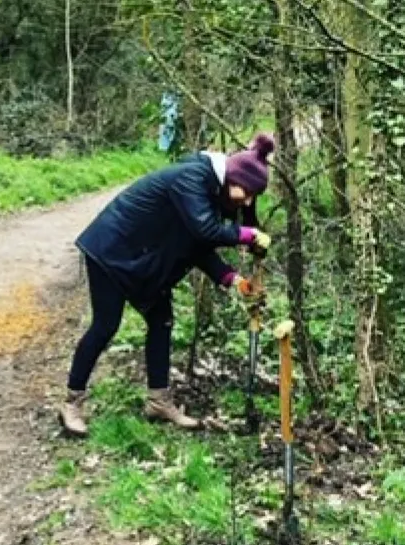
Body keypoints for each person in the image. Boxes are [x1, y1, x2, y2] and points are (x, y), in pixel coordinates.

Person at [59, 133, 275, 436]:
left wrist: (232, 279)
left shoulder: (213, 190)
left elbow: (195, 244)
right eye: (248, 191)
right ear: (235, 176)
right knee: (105, 325)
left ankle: (159, 401)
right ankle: (72, 403)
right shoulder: (193, 177)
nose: (248, 201)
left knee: (161, 321)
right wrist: (249, 236)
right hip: (112, 248)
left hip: (144, 257)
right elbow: (205, 231)